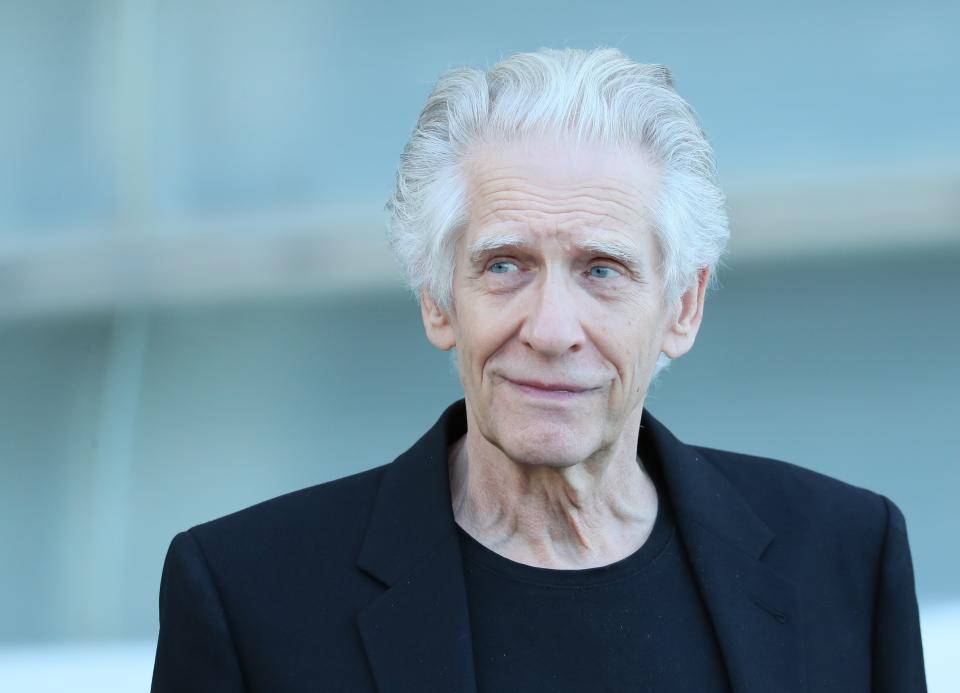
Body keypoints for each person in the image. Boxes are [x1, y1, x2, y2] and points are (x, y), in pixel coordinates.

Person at [150, 48, 926, 692]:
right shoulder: (245, 594)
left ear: (682, 307)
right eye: (505, 264)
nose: (552, 330)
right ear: (437, 298)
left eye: (602, 269)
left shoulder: (844, 558)